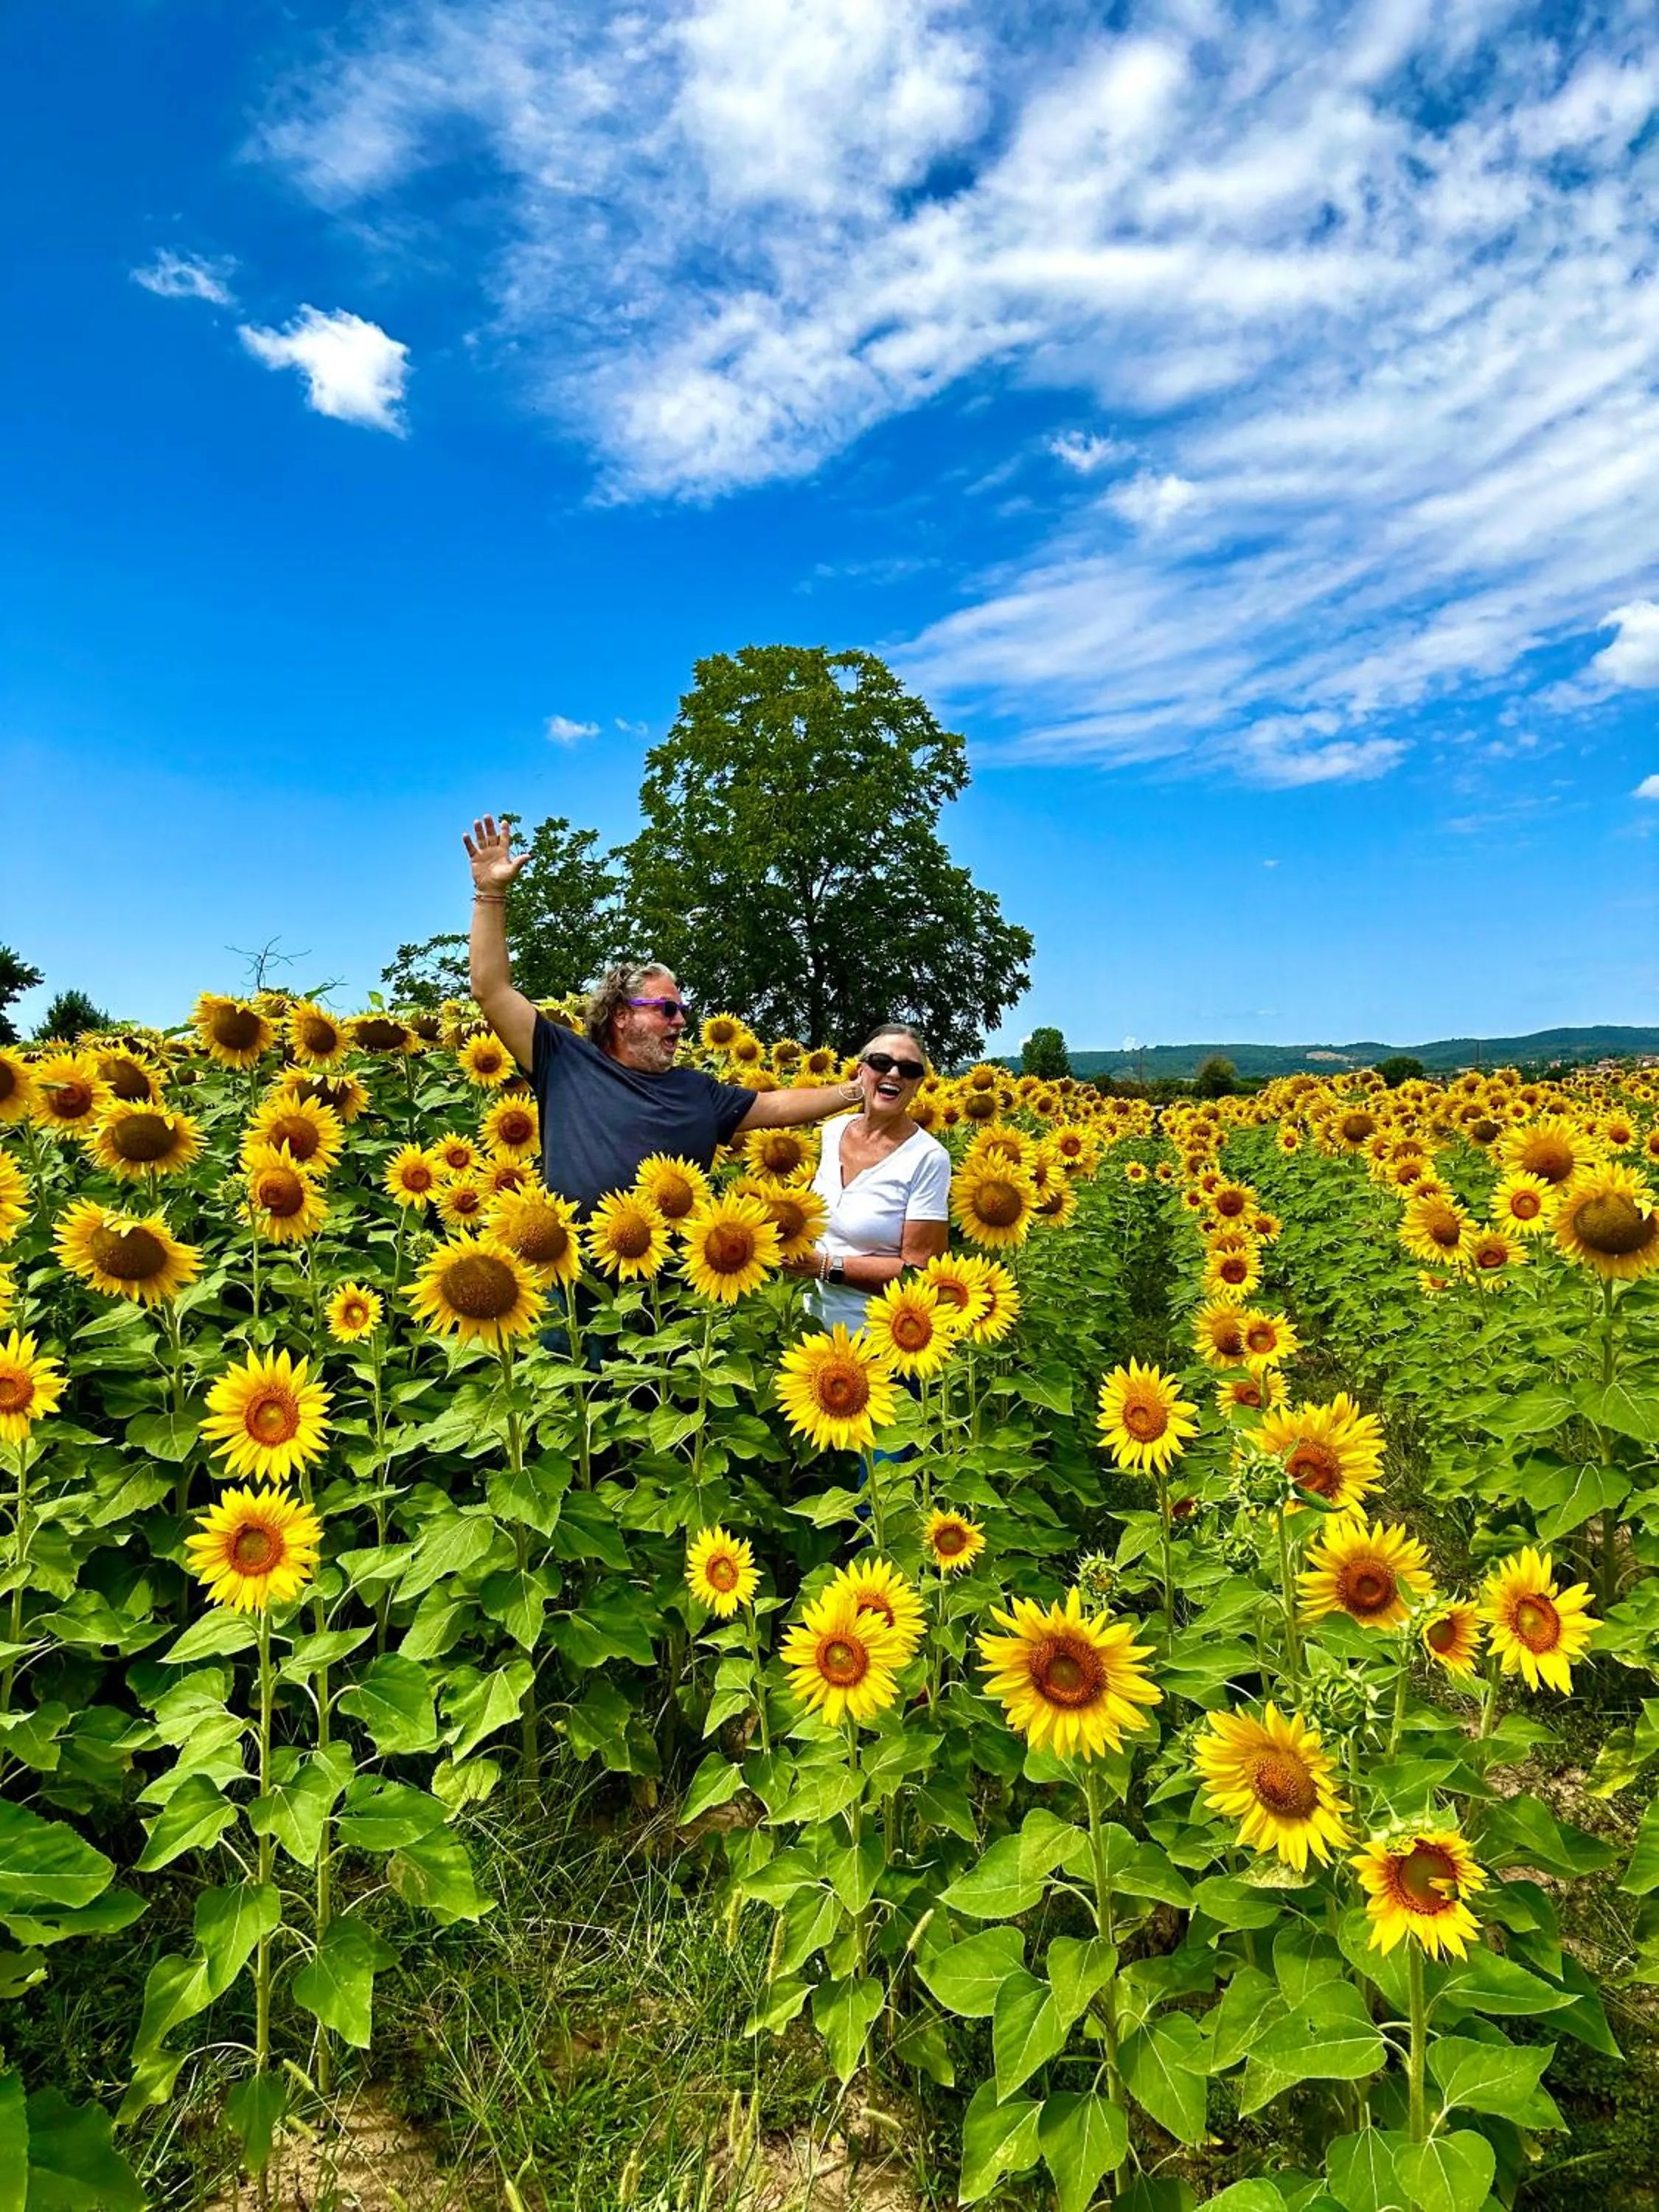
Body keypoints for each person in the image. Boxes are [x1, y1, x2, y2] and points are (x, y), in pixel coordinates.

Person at [464, 815, 866, 1211]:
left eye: (682, 1010)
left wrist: (855, 1089)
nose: (680, 1020)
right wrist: (490, 894)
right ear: (621, 1016)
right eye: (667, 1009)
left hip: (674, 1274)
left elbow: (776, 1108)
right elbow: (491, 990)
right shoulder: (564, 1062)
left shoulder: (699, 1091)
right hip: (573, 1274)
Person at [783, 1023, 951, 1329]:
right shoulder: (833, 1131)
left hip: (883, 1339)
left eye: (910, 1069)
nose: (895, 1074)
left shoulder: (928, 1158)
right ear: (861, 1071)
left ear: (918, 1085)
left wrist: (825, 1267)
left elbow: (919, 1271)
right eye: (881, 1063)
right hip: (812, 1332)